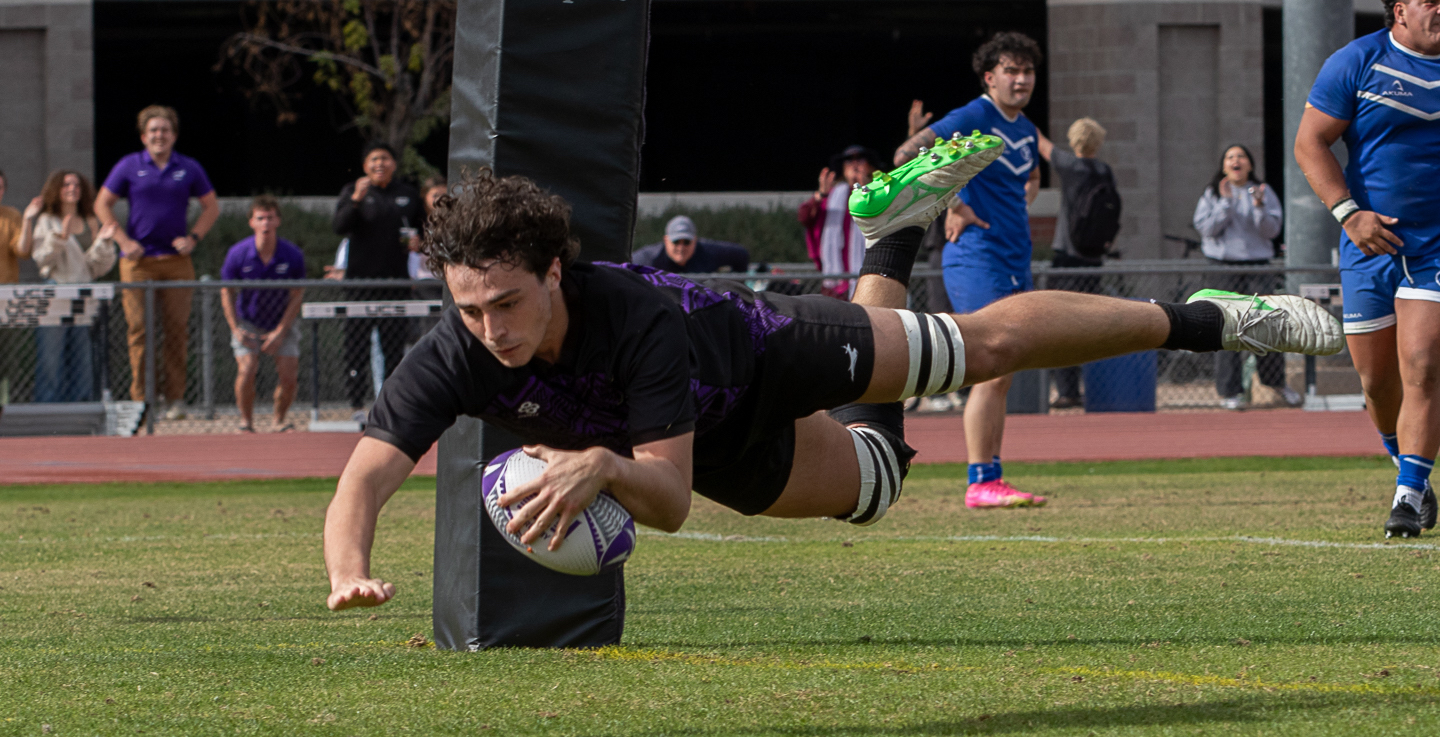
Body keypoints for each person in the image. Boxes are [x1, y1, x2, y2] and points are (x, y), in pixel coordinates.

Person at [319, 162, 1341, 612]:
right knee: (880, 482)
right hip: (721, 445)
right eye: (467, 307)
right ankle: (892, 229)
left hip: (768, 350)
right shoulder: (454, 349)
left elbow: (663, 504)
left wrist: (596, 464)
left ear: (550, 272)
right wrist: (350, 567)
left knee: (977, 347)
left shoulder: (629, 319)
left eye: (504, 302)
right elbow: (361, 479)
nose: (487, 327)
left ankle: (1215, 317)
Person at [1295, 0, 1440, 539]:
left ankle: (1408, 495)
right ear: (1400, 10)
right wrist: (1349, 214)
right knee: (1378, 383)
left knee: (1423, 363)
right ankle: (1405, 463)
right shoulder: (1358, 60)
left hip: (1436, 249)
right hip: (1369, 246)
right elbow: (1309, 142)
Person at [894, 32, 1044, 508]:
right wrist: (952, 203)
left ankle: (990, 478)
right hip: (975, 256)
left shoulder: (1021, 125)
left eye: (1028, 71)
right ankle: (982, 481)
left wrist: (1020, 203)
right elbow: (905, 157)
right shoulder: (974, 115)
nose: (1021, 80)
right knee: (992, 365)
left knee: (1002, 370)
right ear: (989, 77)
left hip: (1014, 256)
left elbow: (1033, 173)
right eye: (1011, 71)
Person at [95, 105, 221, 419]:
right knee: (139, 331)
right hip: (137, 264)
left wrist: (193, 238)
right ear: (143, 136)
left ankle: (175, 400)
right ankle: (143, 402)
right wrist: (123, 241)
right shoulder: (129, 165)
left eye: (165, 130)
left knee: (176, 332)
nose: (159, 136)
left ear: (174, 135)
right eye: (153, 131)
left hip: (176, 262)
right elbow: (102, 204)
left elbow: (211, 207)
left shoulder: (188, 167)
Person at [1192, 144, 1298, 411]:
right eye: (1230, 157)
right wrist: (1226, 203)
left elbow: (1272, 230)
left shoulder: (1262, 191)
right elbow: (1205, 229)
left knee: (1266, 326)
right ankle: (1230, 392)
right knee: (1226, 329)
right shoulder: (1213, 192)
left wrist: (1259, 207)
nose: (1235, 161)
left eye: (1241, 156)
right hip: (1223, 268)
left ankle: (1276, 384)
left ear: (1250, 164)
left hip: (1257, 267)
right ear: (1223, 165)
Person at [332, 143, 426, 422]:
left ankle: (391, 405)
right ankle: (356, 406)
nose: (380, 164)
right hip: (359, 285)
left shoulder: (408, 195)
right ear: (365, 166)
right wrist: (356, 200)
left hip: (395, 285)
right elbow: (339, 226)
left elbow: (424, 233)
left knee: (394, 349)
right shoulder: (353, 192)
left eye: (385, 158)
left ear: (394, 163)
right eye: (374, 159)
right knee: (355, 347)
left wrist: (419, 242)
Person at [1035, 118, 1119, 409]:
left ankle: (1067, 390)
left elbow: (1041, 144)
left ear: (1073, 140)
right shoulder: (1104, 171)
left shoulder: (1071, 166)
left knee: (1060, 323)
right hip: (1093, 258)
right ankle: (1089, 388)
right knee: (1087, 323)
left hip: (1068, 257)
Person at [20, 171, 119, 402]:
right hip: (54, 293)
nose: (72, 188)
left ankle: (80, 409)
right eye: (66, 184)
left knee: (83, 356)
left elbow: (96, 267)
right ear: (57, 189)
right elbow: (42, 259)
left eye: (77, 184)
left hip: (83, 295)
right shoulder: (46, 221)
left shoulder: (91, 221)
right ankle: (47, 410)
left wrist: (104, 243)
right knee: (50, 356)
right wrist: (60, 237)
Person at [220, 195, 305, 433]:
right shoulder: (238, 253)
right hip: (248, 320)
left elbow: (297, 294)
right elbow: (226, 292)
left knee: (288, 378)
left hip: (282, 321)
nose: (265, 223)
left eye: (270, 218)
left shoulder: (292, 254)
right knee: (246, 369)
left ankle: (279, 420)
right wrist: (236, 328)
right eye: (260, 218)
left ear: (278, 221)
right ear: (251, 223)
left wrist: (280, 331)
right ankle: (246, 422)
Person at [797, 145, 886, 299]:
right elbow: (804, 217)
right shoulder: (832, 196)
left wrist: (865, 188)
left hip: (870, 279)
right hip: (836, 284)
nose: (854, 164)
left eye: (860, 160)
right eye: (849, 161)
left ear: (870, 166)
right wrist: (821, 195)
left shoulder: (880, 192)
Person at [629, 215, 750, 274]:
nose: (681, 248)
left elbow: (741, 254)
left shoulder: (708, 252)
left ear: (695, 241)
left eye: (686, 242)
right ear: (666, 240)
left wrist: (735, 289)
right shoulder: (648, 258)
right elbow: (623, 269)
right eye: (676, 242)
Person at [0, 169, 27, 285]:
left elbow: (22, 252)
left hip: (5, 291)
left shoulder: (11, 216)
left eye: (0, 188)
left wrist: (27, 220)